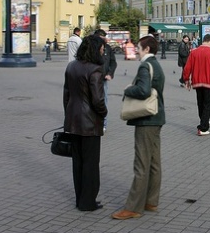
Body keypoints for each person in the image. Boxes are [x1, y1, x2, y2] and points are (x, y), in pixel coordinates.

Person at [111, 35, 165, 220]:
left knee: (141, 164)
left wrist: (127, 89)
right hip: (157, 118)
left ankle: (133, 208)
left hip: (146, 120)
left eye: (139, 48)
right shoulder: (156, 65)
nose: (136, 50)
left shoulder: (145, 66)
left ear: (147, 50)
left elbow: (143, 91)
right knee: (154, 163)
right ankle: (151, 201)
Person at [63, 35, 107, 211]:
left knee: (78, 163)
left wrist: (68, 113)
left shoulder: (71, 66)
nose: (103, 51)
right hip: (89, 123)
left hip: (73, 121)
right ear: (96, 49)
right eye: (102, 48)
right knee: (90, 163)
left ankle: (79, 198)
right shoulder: (95, 70)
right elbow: (97, 100)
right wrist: (104, 113)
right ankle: (88, 201)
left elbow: (66, 95)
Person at [182, 34, 210, 136]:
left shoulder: (194, 52)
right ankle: (203, 128)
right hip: (209, 82)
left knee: (200, 104)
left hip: (197, 82)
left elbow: (187, 68)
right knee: (207, 105)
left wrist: (186, 80)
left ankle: (204, 122)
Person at [94, 29, 117, 133]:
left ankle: (103, 123)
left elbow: (113, 62)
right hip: (93, 78)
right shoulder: (92, 48)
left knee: (104, 101)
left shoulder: (107, 48)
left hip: (103, 79)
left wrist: (110, 73)